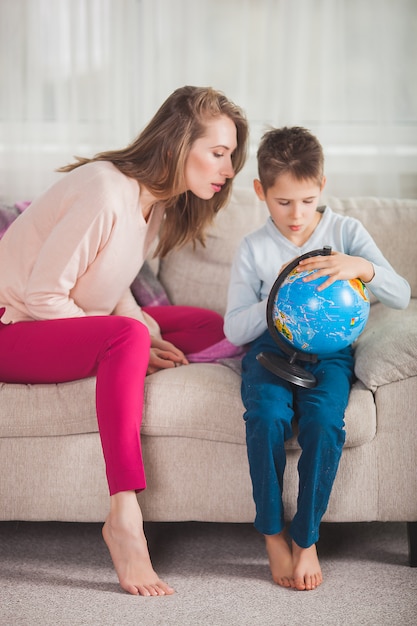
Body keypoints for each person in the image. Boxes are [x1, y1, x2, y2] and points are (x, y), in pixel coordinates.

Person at [0, 86, 249, 596]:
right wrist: (123, 341)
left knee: (207, 324)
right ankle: (124, 517)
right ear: (180, 143)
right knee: (127, 337)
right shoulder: (103, 190)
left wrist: (147, 332)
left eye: (231, 157)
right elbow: (43, 295)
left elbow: (113, 292)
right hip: (14, 327)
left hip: (70, 320)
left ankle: (130, 356)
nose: (228, 170)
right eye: (219, 154)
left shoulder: (152, 203)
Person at [224, 126, 410, 591]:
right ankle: (271, 533)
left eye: (307, 200)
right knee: (266, 415)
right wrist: (280, 302)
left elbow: (402, 295)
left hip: (331, 353)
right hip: (271, 351)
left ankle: (306, 539)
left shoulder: (346, 231)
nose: (296, 215)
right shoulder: (254, 248)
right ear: (260, 192)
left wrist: (360, 268)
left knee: (326, 421)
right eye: (283, 202)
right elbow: (232, 329)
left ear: (321, 186)